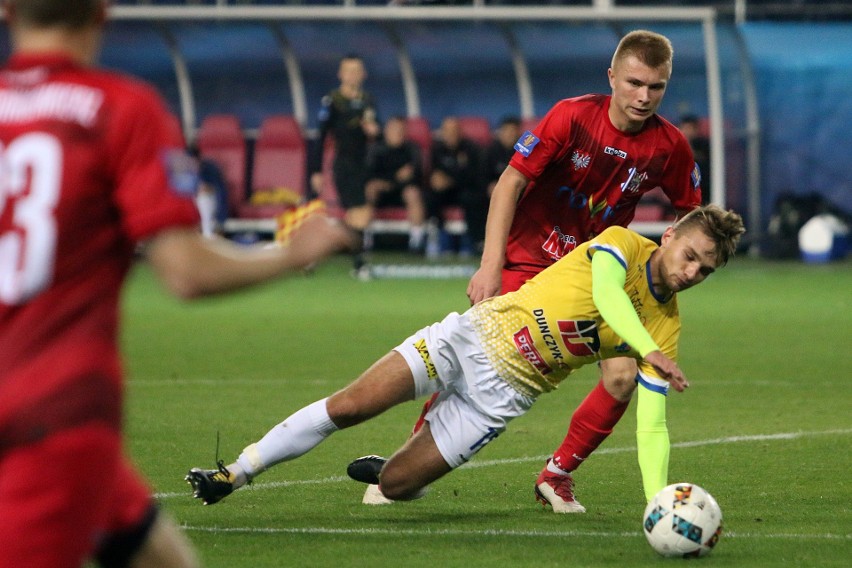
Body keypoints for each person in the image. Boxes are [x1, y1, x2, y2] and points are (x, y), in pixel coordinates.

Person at [0, 2, 353, 567]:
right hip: (53, 413)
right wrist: (290, 254)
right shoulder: (120, 107)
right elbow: (185, 270)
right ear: (102, 11)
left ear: (8, 9)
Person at [186, 206, 745, 513]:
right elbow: (606, 296)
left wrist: (658, 502)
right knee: (351, 406)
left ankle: (400, 464)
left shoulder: (666, 325)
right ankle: (235, 472)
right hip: (469, 339)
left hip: (501, 398)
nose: (690, 272)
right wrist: (643, 348)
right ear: (669, 235)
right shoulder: (622, 242)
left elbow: (652, 422)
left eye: (705, 270)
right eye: (690, 255)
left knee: (398, 488)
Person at [376, 29, 705, 511]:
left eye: (656, 87)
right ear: (611, 77)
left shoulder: (670, 147)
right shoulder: (571, 116)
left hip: (599, 277)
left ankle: (557, 474)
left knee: (621, 377)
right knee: (471, 360)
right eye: (634, 83)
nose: (643, 96)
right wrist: (490, 266)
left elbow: (693, 218)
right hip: (529, 260)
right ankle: (408, 464)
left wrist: (673, 267)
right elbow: (510, 183)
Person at [310, 54, 380, 276]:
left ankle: (317, 254)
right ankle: (359, 264)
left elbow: (379, 131)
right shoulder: (332, 101)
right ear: (340, 74)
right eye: (348, 70)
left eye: (357, 70)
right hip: (345, 164)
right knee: (359, 212)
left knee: (359, 214)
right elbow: (320, 137)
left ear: (363, 74)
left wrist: (374, 131)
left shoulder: (368, 100)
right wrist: (316, 170)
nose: (352, 75)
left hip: (365, 163)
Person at [426, 116, 487, 256]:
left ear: (460, 132)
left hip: (466, 189)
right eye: (447, 131)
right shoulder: (437, 149)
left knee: (472, 198)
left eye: (453, 131)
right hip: (445, 192)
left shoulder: (472, 149)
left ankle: (475, 242)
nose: (450, 135)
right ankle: (438, 238)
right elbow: (435, 175)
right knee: (430, 196)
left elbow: (475, 177)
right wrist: (438, 181)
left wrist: (450, 180)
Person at [364, 116, 427, 253]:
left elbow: (415, 176)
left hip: (403, 193)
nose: (398, 133)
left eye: (401, 130)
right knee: (370, 188)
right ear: (386, 131)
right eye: (394, 130)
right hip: (381, 194)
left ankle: (416, 241)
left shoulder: (412, 149)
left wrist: (391, 182)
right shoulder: (376, 149)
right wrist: (394, 178)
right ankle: (365, 237)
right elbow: (369, 175)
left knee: (413, 193)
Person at [483, 116, 522, 198]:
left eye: (513, 130)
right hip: (496, 189)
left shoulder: (523, 150)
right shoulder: (491, 150)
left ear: (519, 133)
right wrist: (489, 185)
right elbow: (484, 174)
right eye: (506, 130)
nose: (510, 134)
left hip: (518, 188)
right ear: (500, 132)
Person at [678, 114, 711, 205]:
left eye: (689, 128)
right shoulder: (675, 144)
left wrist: (687, 145)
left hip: (703, 187)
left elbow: (703, 162)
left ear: (696, 130)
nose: (686, 131)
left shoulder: (704, 144)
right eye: (683, 128)